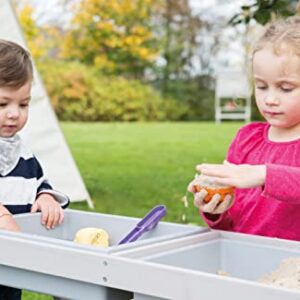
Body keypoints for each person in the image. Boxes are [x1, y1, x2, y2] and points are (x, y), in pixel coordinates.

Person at [188, 16, 300, 242]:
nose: (270, 99)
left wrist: (262, 174)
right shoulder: (247, 138)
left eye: (285, 88)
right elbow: (233, 221)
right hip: (243, 259)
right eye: (261, 86)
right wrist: (215, 209)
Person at [0, 39, 69, 299]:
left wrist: (46, 197)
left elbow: (37, 181)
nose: (14, 114)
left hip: (11, 264)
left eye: (23, 104)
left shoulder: (23, 154)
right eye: (2, 104)